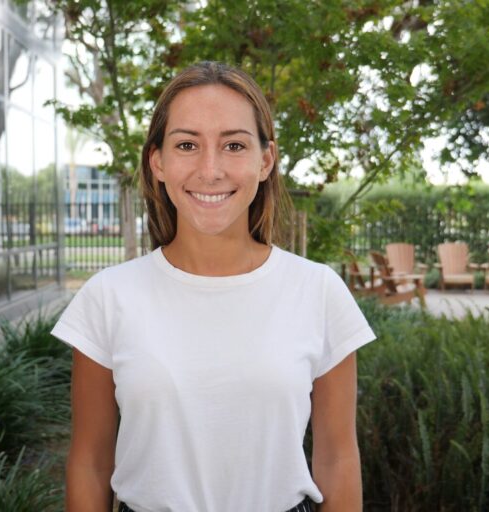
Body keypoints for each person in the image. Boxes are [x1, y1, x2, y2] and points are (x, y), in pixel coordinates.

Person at [52, 61, 376, 512]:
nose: (210, 170)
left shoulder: (319, 292)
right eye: (187, 144)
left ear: (265, 161)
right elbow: (89, 462)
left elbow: (338, 459)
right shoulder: (108, 298)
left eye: (233, 145)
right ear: (158, 162)